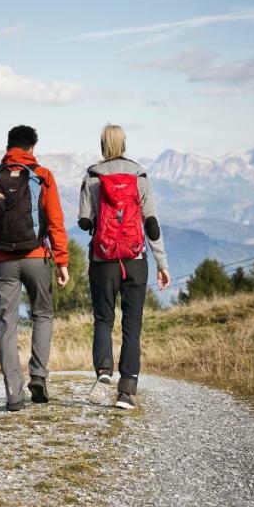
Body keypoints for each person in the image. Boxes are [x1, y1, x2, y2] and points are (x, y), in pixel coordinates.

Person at [0, 125, 70, 412]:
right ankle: (38, 375)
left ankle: (14, 395)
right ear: (32, 148)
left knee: (6, 323)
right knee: (43, 314)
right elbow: (55, 221)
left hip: (1, 260)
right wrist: (61, 261)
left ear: (8, 147)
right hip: (36, 256)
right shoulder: (43, 176)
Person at [77, 124, 171, 410]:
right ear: (125, 143)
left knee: (104, 319)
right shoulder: (140, 175)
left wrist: (96, 224)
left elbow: (84, 220)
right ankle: (127, 391)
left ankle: (104, 371)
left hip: (103, 260)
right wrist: (161, 263)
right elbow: (151, 223)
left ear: (102, 144)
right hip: (135, 260)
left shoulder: (92, 176)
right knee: (132, 325)